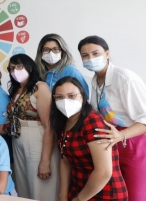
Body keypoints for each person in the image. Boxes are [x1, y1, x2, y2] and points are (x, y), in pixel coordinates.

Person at [78, 35, 146, 201]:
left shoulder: (125, 78)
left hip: (131, 142)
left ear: (107, 53)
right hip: (110, 142)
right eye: (85, 56)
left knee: (135, 195)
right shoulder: (94, 81)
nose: (90, 59)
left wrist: (121, 135)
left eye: (95, 53)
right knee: (115, 195)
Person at [50, 76, 128, 201]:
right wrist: (63, 195)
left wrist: (79, 199)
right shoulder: (64, 122)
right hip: (79, 189)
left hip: (104, 193)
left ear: (82, 96)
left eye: (71, 96)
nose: (65, 101)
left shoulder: (93, 123)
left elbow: (103, 172)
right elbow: (65, 160)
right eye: (59, 97)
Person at [5, 54, 59, 200]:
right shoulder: (16, 90)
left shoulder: (39, 87)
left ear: (29, 66)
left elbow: (50, 126)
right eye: (11, 68)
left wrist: (45, 161)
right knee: (23, 186)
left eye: (19, 66)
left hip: (37, 140)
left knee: (40, 186)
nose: (15, 71)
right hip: (18, 141)